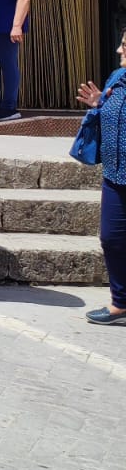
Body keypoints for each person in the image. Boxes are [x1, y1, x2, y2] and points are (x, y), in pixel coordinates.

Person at [77, 30, 126, 325]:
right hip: (115, 173)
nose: (119, 51)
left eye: (125, 46)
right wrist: (99, 104)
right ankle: (120, 302)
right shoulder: (116, 78)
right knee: (112, 238)